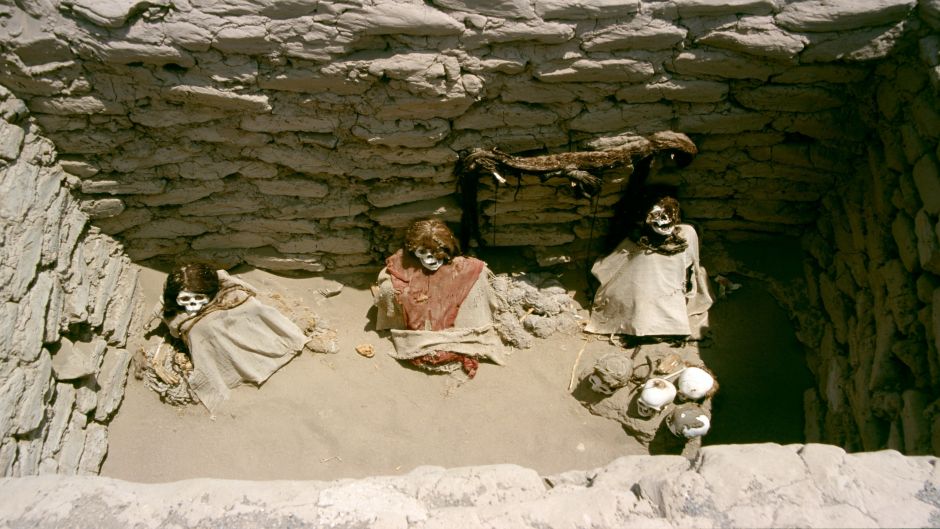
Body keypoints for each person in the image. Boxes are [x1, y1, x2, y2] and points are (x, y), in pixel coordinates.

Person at [159, 263, 309, 411]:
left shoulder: (230, 290)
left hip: (234, 311)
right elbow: (171, 322)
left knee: (249, 310)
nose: (192, 305)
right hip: (205, 328)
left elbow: (250, 295)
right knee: (206, 330)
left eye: (199, 298)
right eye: (185, 300)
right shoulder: (179, 313)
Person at [373, 218, 507, 378]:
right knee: (389, 289)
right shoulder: (402, 263)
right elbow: (387, 283)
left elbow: (479, 275)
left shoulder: (465, 268)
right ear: (412, 251)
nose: (430, 259)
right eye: (422, 253)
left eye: (437, 252)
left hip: (458, 324)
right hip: (418, 323)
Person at [586, 196, 713, 340]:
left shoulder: (686, 234)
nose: (661, 220)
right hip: (642, 298)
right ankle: (658, 323)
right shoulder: (638, 241)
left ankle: (658, 323)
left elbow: (690, 265)